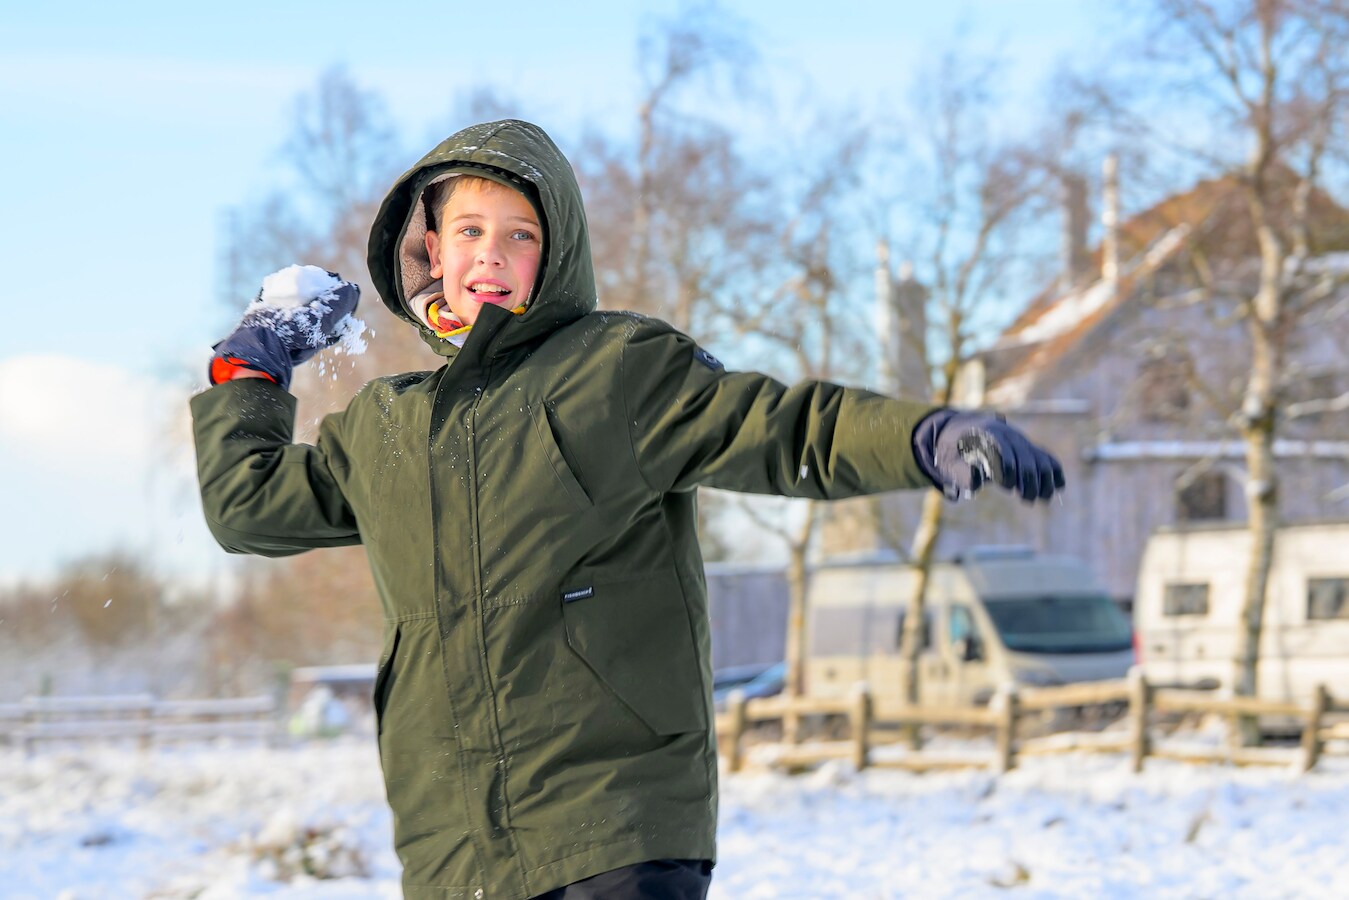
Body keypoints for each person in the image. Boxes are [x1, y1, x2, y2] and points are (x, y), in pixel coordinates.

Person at [193, 119, 1064, 900]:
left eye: (518, 234)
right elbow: (248, 507)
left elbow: (778, 426)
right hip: (455, 853)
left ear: (556, 252)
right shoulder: (388, 429)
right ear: (428, 252)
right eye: (468, 231)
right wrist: (254, 367)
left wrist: (921, 436)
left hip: (617, 825)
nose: (489, 255)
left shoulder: (617, 370)